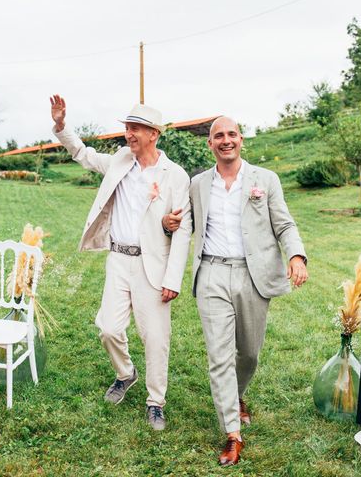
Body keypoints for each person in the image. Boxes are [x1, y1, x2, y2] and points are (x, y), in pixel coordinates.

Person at [164, 116, 308, 465]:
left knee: (249, 353)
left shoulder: (265, 180)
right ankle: (232, 432)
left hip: (253, 275)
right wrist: (168, 226)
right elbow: (185, 226)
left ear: (241, 139)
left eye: (231, 134)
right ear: (210, 144)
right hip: (212, 272)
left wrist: (297, 255)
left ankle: (238, 395)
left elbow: (284, 223)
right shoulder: (198, 184)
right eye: (218, 136)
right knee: (219, 356)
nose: (225, 140)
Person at [49, 95, 191, 430]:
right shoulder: (120, 161)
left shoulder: (175, 175)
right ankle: (126, 373)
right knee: (109, 328)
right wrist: (61, 126)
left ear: (153, 134)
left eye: (136, 129)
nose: (128, 134)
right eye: (127, 127)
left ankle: (156, 401)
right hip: (118, 259)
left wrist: (174, 278)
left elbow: (182, 229)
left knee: (155, 337)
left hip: (152, 265)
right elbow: (83, 155)